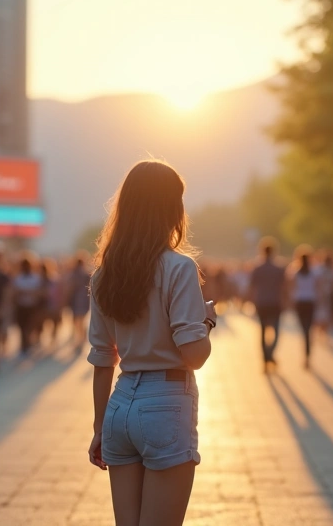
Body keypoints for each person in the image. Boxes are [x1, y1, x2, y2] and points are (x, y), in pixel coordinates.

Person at [85, 160, 215, 526]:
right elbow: (194, 356)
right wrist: (206, 322)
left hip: (119, 403)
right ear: (171, 209)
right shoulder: (179, 267)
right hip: (166, 401)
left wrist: (98, 428)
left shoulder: (104, 274)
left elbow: (101, 357)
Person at [248, 238, 287, 371]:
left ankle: (266, 359)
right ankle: (270, 354)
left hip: (261, 302)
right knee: (276, 331)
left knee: (263, 332)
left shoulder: (257, 268)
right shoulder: (279, 268)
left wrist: (252, 302)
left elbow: (252, 287)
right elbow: (284, 287)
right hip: (275, 302)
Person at [289, 248, 320, 369]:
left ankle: (306, 354)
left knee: (304, 330)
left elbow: (292, 288)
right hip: (310, 301)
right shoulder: (314, 272)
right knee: (309, 329)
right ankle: (308, 354)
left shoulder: (295, 272)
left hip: (300, 302)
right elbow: (317, 288)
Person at [12, 255, 44, 355]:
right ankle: (23, 345)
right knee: (22, 327)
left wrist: (25, 292)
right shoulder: (18, 278)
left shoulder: (35, 278)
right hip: (21, 306)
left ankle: (29, 343)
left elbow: (38, 292)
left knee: (30, 326)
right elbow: (15, 292)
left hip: (32, 307)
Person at [66, 253, 92, 347]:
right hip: (85, 299)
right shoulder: (87, 274)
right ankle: (82, 338)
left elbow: (70, 288)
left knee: (76, 320)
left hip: (75, 299)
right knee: (83, 319)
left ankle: (79, 338)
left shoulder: (73, 274)